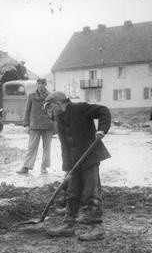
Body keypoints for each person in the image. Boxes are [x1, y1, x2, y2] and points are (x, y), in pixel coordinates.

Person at [43, 91, 111, 241]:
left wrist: (101, 129)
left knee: (91, 192)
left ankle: (96, 228)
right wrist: (67, 168)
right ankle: (68, 226)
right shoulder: (60, 118)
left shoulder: (80, 108)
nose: (50, 111)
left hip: (90, 157)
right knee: (72, 193)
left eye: (51, 107)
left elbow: (103, 111)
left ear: (59, 103)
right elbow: (64, 146)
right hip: (74, 162)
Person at [17, 78, 55, 174]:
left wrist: (55, 126)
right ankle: (26, 167)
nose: (41, 85)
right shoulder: (31, 96)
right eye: (39, 83)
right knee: (31, 147)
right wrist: (26, 122)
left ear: (46, 84)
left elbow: (54, 111)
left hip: (48, 125)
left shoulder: (51, 96)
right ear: (37, 85)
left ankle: (44, 167)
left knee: (47, 147)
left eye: (43, 83)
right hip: (35, 124)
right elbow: (27, 110)